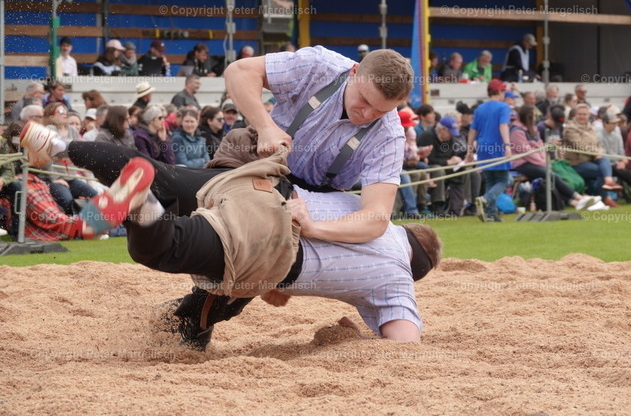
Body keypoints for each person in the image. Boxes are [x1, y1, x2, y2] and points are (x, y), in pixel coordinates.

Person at [20, 124, 442, 348]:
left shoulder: (363, 208)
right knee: (168, 249)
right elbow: (406, 346)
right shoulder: (397, 283)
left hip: (256, 185)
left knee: (158, 172)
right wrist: (353, 334)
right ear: (414, 271)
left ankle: (57, 145)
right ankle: (143, 206)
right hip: (267, 245)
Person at [223, 45, 414, 243]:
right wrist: (265, 127)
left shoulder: (390, 136)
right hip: (257, 158)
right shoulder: (320, 66)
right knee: (217, 202)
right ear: (354, 71)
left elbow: (376, 219)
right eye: (364, 100)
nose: (367, 114)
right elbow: (239, 72)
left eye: (381, 111)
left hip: (315, 196)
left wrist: (313, 228)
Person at [510, 105, 599, 210]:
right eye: (534, 116)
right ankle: (578, 197)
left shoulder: (534, 129)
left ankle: (574, 202)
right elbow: (527, 152)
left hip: (539, 162)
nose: (536, 118)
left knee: (550, 181)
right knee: (552, 176)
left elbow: (541, 147)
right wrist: (543, 162)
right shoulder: (517, 131)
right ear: (528, 117)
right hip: (523, 164)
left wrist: (543, 160)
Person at [465, 79, 512, 222]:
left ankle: (491, 213)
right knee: (504, 180)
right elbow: (503, 125)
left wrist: (469, 150)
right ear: (499, 91)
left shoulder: (480, 108)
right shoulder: (503, 107)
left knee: (491, 180)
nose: (504, 94)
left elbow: (473, 130)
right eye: (503, 91)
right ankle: (485, 199)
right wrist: (507, 145)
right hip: (497, 146)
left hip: (483, 147)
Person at [562, 103, 622, 207]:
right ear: (575, 115)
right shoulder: (570, 128)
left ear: (589, 115)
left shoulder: (591, 127)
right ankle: (605, 197)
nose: (582, 116)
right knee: (600, 170)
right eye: (580, 114)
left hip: (591, 160)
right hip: (576, 163)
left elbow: (598, 144)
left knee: (604, 159)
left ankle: (608, 182)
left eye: (584, 114)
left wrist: (600, 151)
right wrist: (596, 152)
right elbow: (579, 146)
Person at [419, 115, 465, 216]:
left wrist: (458, 160)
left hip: (446, 167)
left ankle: (460, 206)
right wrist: (447, 162)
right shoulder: (427, 137)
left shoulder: (450, 139)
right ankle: (438, 205)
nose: (451, 136)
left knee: (465, 170)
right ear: (442, 129)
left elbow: (451, 155)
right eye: (450, 132)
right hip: (427, 168)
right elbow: (429, 160)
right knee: (438, 170)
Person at [596, 111, 631, 195]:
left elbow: (621, 152)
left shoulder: (617, 134)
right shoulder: (599, 136)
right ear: (605, 123)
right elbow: (604, 156)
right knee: (628, 174)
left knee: (629, 174)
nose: (615, 125)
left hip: (618, 163)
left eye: (616, 123)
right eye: (613, 123)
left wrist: (623, 162)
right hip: (608, 165)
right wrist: (619, 162)